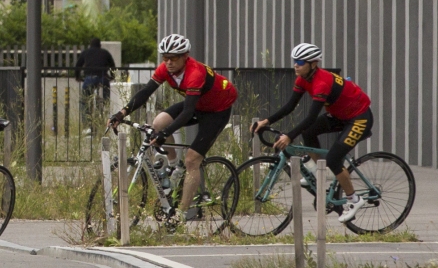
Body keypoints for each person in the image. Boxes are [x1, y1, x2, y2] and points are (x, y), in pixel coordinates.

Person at [109, 33, 238, 224]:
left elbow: (187, 112)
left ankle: (180, 215)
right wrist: (122, 113)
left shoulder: (195, 73)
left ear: (185, 56)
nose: (168, 62)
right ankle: (174, 165)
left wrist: (165, 135)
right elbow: (145, 92)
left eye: (174, 58)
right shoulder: (165, 69)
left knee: (192, 160)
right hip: (198, 104)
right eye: (165, 57)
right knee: (158, 122)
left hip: (217, 109)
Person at [250, 42, 375, 224]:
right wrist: (266, 121)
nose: (296, 65)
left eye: (300, 62)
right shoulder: (303, 79)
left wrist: (289, 136)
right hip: (340, 115)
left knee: (333, 159)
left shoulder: (321, 83)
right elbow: (290, 106)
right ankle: (317, 172)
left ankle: (354, 199)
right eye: (295, 61)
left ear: (313, 64)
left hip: (359, 117)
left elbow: (310, 117)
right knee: (308, 132)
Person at [75, 37, 117, 106]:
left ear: (90, 45)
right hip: (103, 77)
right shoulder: (105, 52)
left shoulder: (86, 52)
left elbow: (78, 65)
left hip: (90, 77)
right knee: (106, 97)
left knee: (84, 100)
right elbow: (112, 66)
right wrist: (112, 76)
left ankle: (85, 112)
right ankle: (106, 108)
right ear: (100, 45)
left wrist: (77, 77)